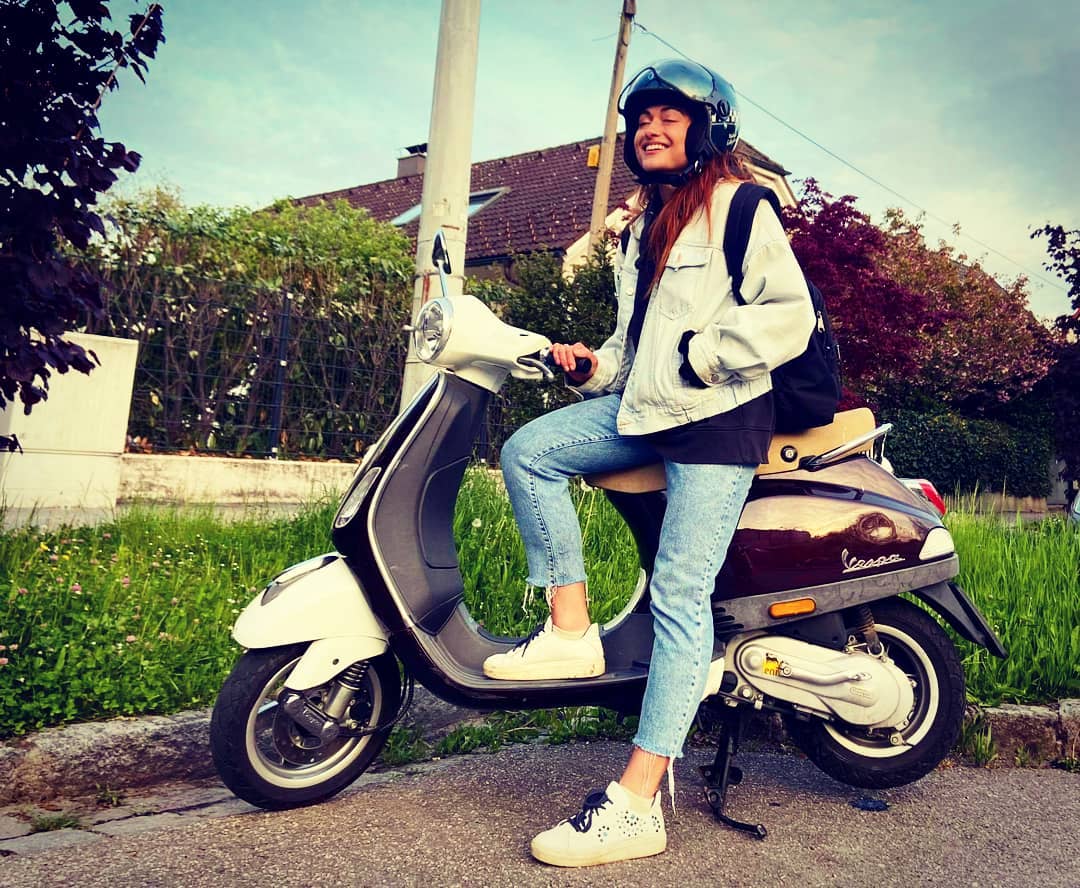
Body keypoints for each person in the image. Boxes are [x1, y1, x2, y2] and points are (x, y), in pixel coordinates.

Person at [482, 59, 815, 867]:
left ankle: (638, 802)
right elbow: (633, 349)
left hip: (718, 420)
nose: (649, 129)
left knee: (678, 592)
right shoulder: (645, 226)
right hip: (647, 408)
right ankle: (571, 631)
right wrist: (590, 367)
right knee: (530, 451)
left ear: (706, 129)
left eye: (669, 117)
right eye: (641, 120)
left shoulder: (741, 205)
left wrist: (704, 357)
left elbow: (790, 314)